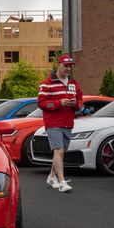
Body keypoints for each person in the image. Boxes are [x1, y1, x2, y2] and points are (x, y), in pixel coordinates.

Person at [38, 53, 83, 193]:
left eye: (70, 66)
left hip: (68, 122)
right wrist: (59, 103)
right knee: (59, 151)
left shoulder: (74, 83)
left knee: (60, 153)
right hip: (53, 123)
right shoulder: (47, 83)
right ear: (59, 65)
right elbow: (41, 103)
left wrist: (76, 104)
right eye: (66, 66)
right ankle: (62, 182)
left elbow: (80, 102)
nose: (68, 69)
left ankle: (52, 176)